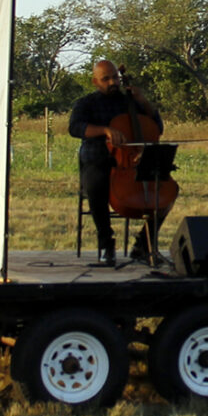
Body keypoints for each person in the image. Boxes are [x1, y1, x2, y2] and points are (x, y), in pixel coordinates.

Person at [69, 60, 170, 266]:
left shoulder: (130, 102)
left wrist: (144, 102)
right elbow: (75, 128)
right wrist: (105, 130)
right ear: (95, 81)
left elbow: (157, 127)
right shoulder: (86, 103)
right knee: (96, 183)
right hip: (97, 159)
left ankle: (143, 246)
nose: (112, 82)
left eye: (115, 77)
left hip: (131, 161)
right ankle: (106, 244)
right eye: (106, 79)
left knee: (165, 188)